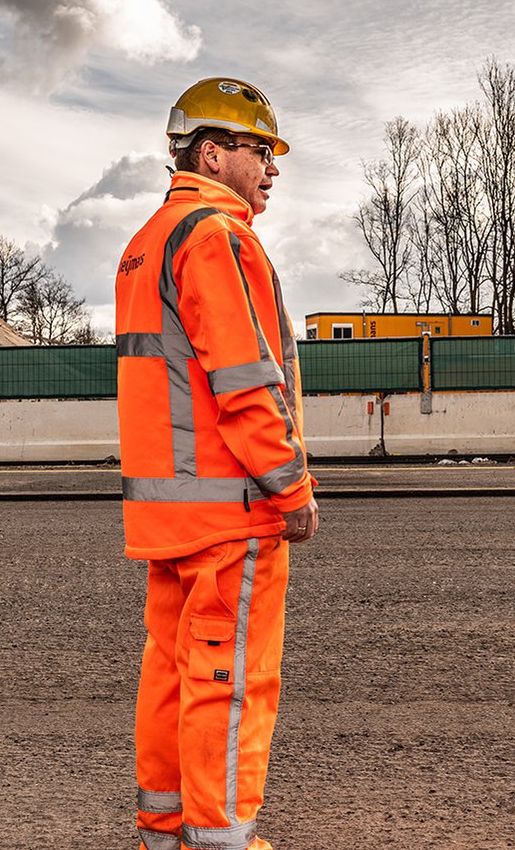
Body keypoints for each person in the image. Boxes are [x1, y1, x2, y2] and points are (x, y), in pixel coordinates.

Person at [117, 76, 320, 850]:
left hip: (168, 511)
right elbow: (243, 376)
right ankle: (221, 839)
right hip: (229, 509)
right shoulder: (216, 236)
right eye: (259, 149)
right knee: (229, 682)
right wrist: (290, 485)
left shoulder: (147, 243)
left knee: (170, 672)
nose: (272, 167)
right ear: (212, 150)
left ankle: (164, 828)